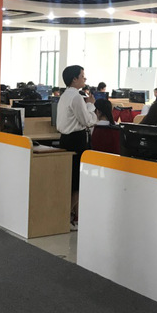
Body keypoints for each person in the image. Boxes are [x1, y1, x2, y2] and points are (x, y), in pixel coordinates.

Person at [56, 65, 97, 229]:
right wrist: (91, 106)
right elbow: (87, 121)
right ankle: (66, 217)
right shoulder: (76, 97)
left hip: (66, 139)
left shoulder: (65, 95)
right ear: (74, 79)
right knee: (77, 182)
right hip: (77, 140)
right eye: (82, 76)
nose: (84, 79)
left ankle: (72, 217)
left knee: (71, 180)